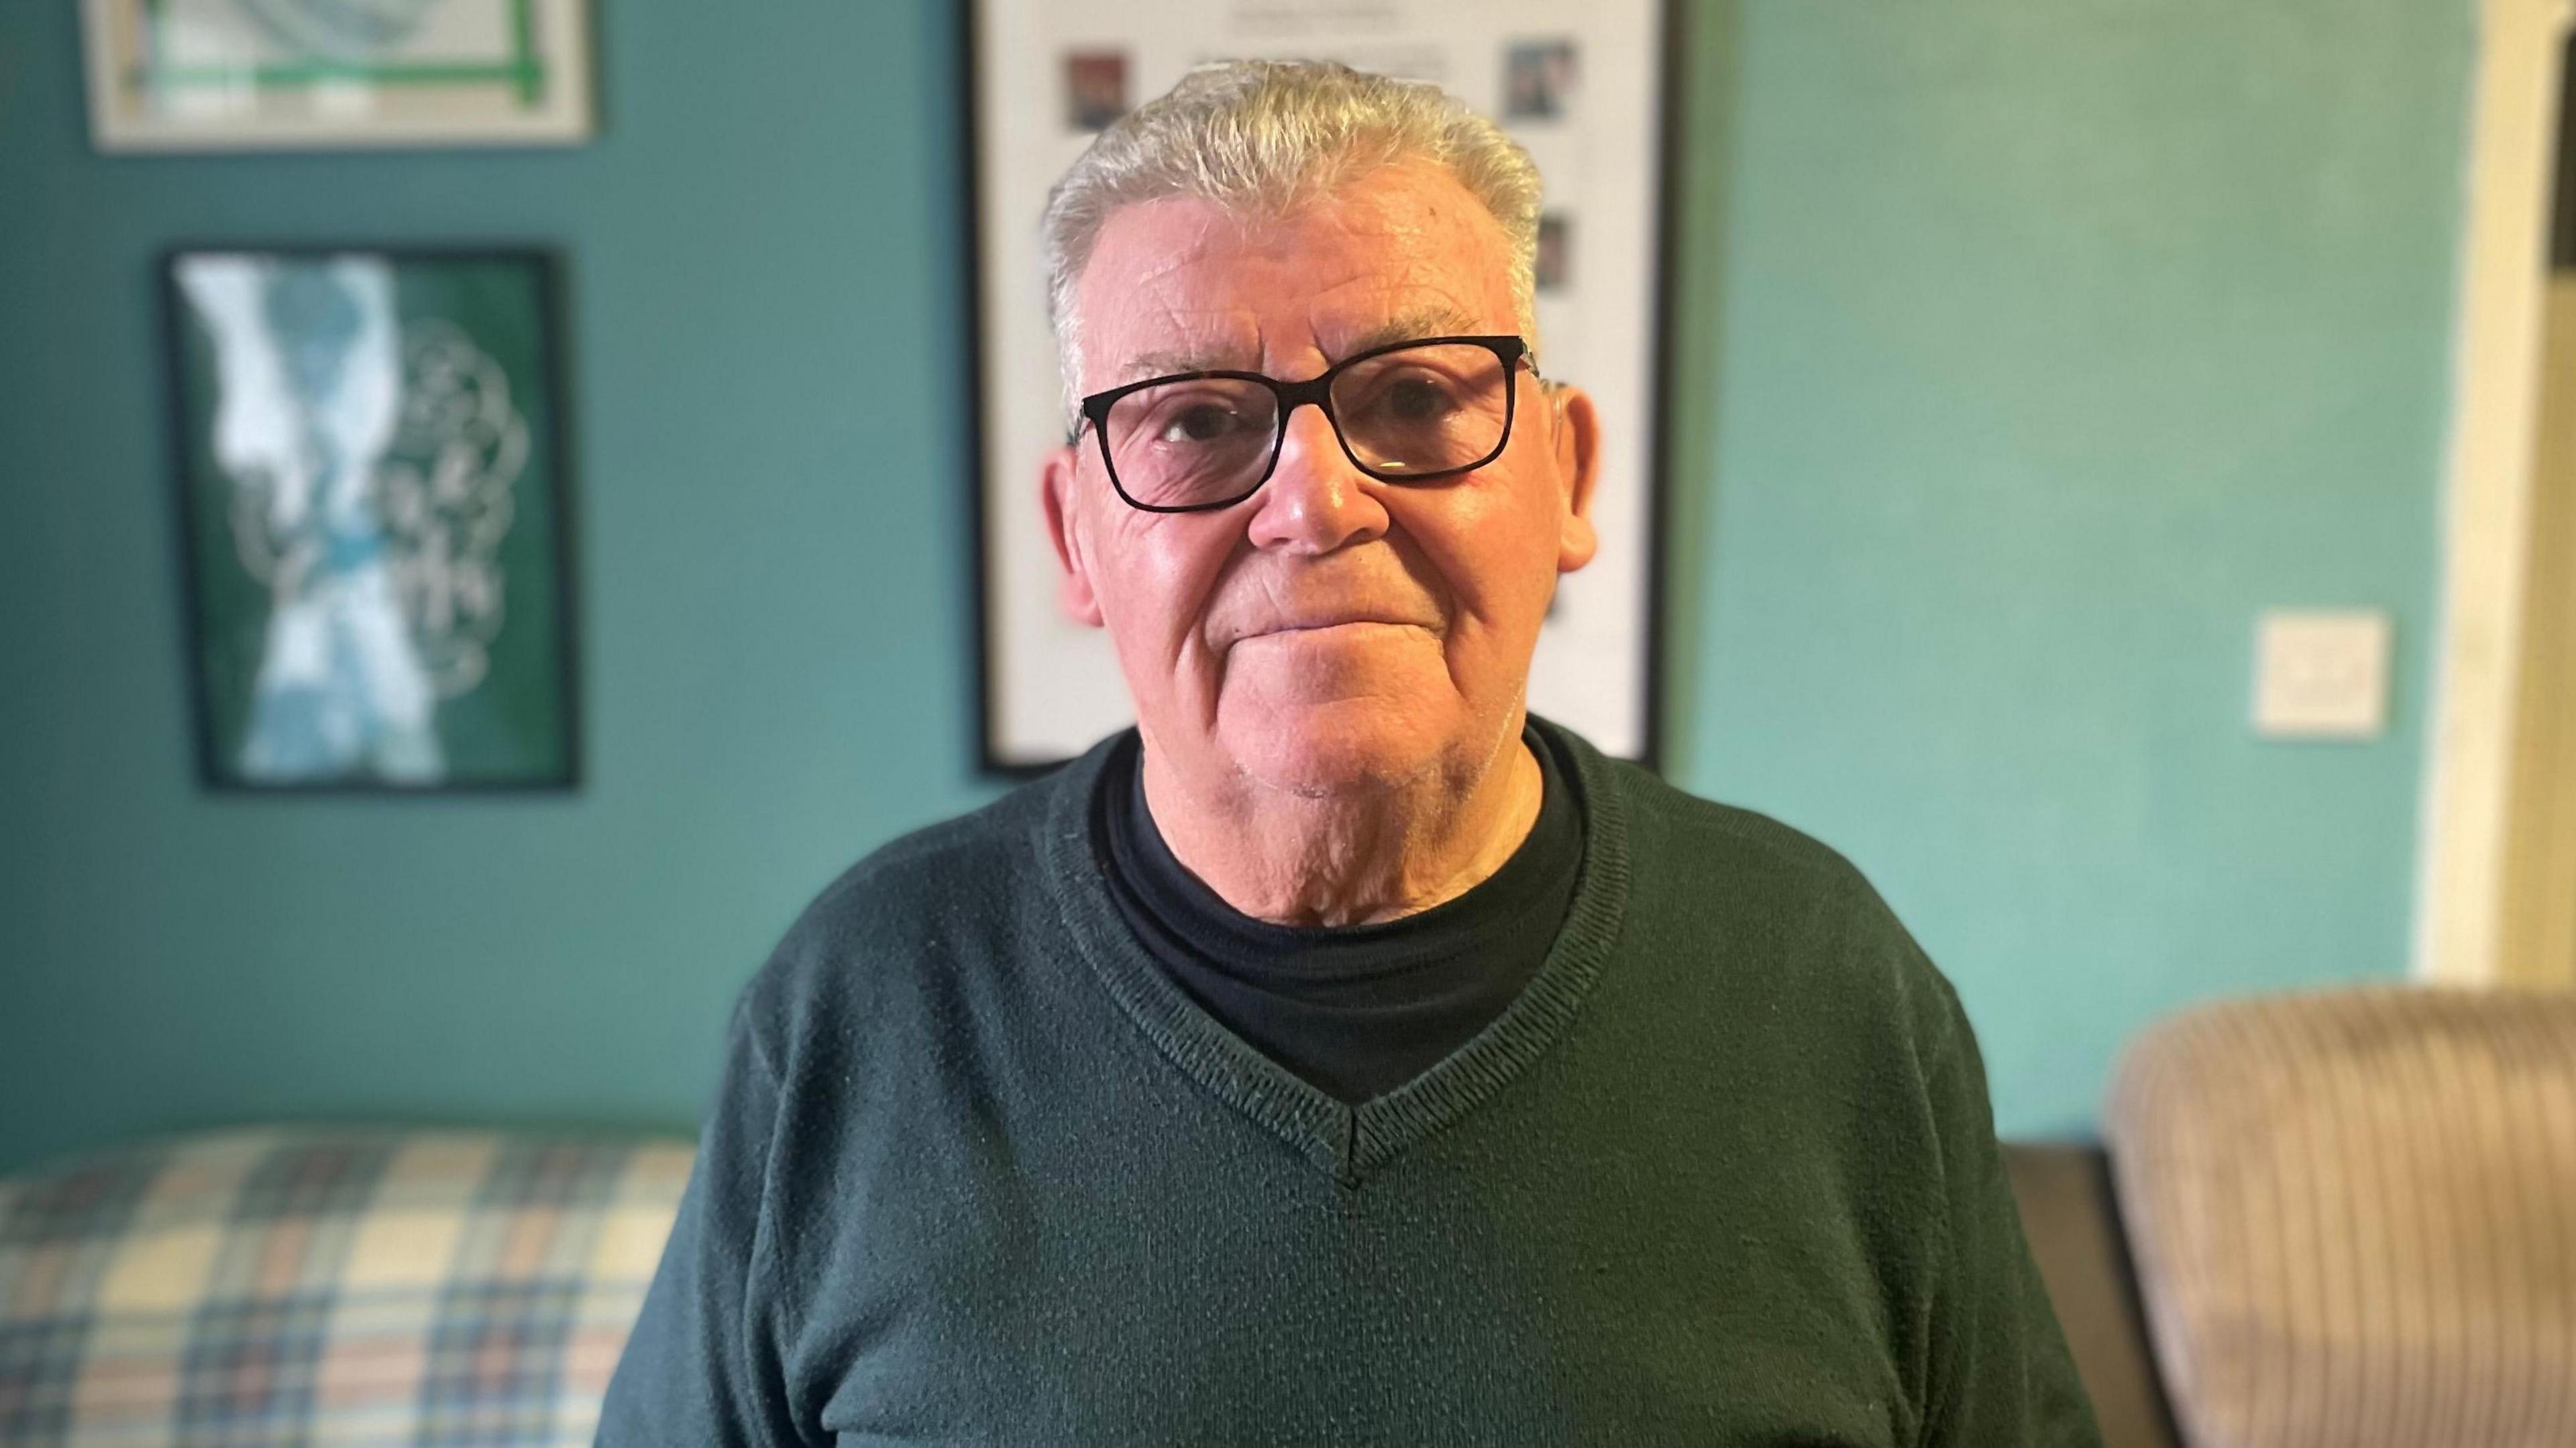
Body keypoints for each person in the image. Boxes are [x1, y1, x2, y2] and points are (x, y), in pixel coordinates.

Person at [600, 60, 2102, 1445]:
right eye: (1192, 423)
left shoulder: (1824, 983)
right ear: (1075, 536)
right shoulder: (866, 1007)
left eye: (1415, 399)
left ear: (1566, 472)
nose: (1315, 507)